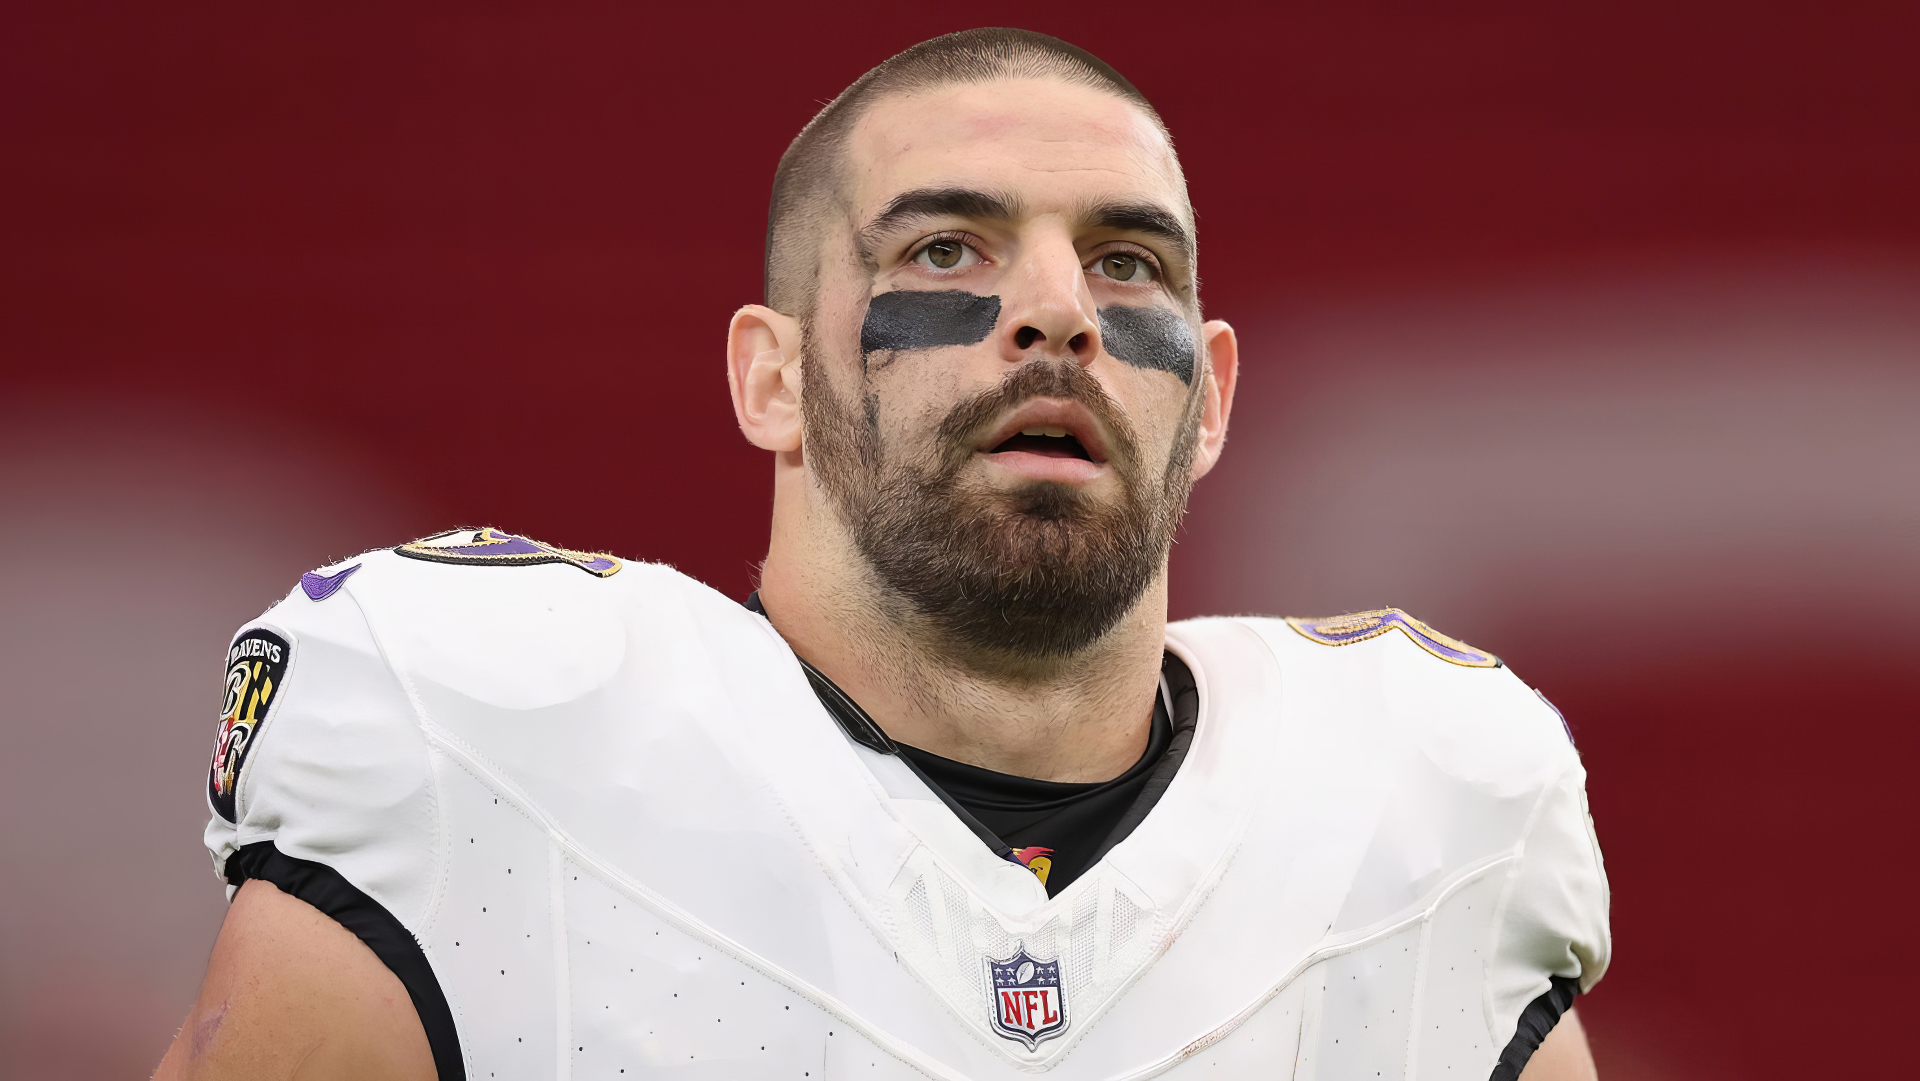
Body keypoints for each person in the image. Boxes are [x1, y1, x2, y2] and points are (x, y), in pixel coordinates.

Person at [154, 28, 1608, 1081]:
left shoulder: (1420, 820)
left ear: (1213, 395)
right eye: (945, 253)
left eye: (1128, 263)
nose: (1057, 313)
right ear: (768, 379)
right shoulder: (489, 744)